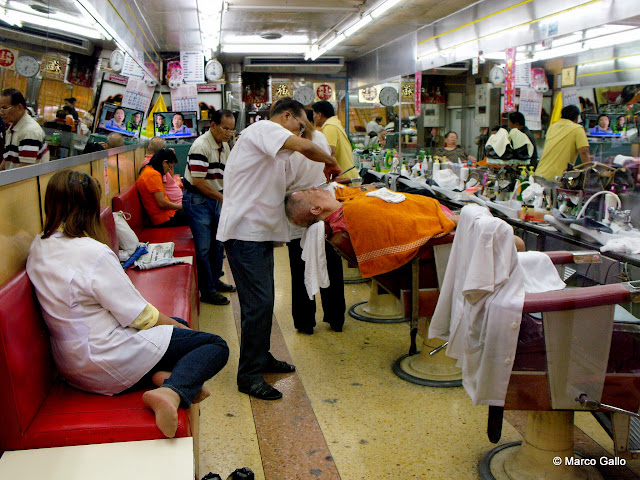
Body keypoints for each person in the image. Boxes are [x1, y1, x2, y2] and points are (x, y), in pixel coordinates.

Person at [26, 169, 229, 438]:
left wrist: (175, 328)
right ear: (91, 207)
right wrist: (185, 333)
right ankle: (172, 391)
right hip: (106, 358)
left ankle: (166, 378)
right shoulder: (92, 252)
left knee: (176, 327)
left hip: (71, 366)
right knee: (213, 345)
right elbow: (141, 316)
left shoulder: (39, 245)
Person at [217, 98, 340, 401]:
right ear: (286, 116)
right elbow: (306, 147)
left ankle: (262, 357)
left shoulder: (270, 147)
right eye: (299, 126)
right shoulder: (263, 129)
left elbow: (291, 172)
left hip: (257, 235)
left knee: (264, 303)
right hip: (245, 235)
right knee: (258, 306)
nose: (301, 133)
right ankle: (248, 375)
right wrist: (330, 160)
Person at [283, 107, 346, 335]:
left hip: (298, 209)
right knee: (332, 264)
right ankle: (336, 317)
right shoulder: (319, 137)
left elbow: (282, 180)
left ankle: (304, 322)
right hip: (323, 208)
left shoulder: (287, 144)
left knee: (299, 267)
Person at [183, 109, 237, 306]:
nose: (228, 133)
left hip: (214, 198)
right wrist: (223, 198)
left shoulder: (224, 144)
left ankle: (215, 282)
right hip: (198, 200)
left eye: (231, 130)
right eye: (225, 128)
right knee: (204, 248)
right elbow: (199, 182)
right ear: (212, 125)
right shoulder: (201, 146)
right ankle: (206, 291)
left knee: (217, 244)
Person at [535, 105, 590, 181]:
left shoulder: (552, 127)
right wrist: (590, 172)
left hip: (539, 174)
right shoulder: (577, 129)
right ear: (576, 118)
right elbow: (584, 152)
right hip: (556, 178)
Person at [0, 88, 49, 170]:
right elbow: (7, 159)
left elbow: (25, 168)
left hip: (27, 181)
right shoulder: (13, 128)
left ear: (19, 107)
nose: (1, 112)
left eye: (4, 108)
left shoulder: (29, 131)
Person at [137, 149, 186, 227]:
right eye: (170, 167)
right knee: (198, 213)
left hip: (167, 215)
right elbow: (162, 203)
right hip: (164, 219)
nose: (168, 171)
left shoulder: (148, 169)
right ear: (164, 163)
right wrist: (182, 206)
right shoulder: (153, 175)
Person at [312, 100, 358, 180]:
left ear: (319, 115)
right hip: (346, 175)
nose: (313, 117)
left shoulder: (330, 127)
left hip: (344, 177)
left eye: (314, 114)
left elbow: (329, 151)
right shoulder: (334, 124)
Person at [144, 136, 183, 204]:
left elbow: (170, 176)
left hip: (177, 201)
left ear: (149, 149)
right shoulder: (155, 165)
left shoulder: (149, 163)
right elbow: (163, 197)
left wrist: (170, 158)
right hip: (174, 203)